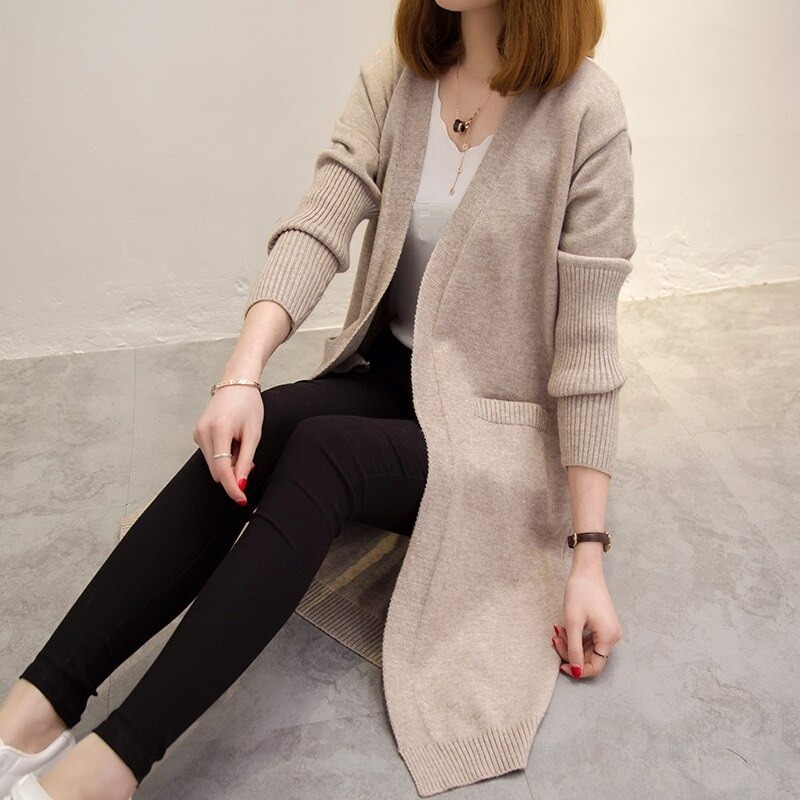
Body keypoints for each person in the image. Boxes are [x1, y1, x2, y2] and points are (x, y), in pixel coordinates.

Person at [0, 1, 630, 797]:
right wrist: (241, 377)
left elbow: (588, 347)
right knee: (262, 428)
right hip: (389, 380)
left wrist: (586, 556)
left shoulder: (586, 112)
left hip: (494, 432)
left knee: (326, 455)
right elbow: (322, 220)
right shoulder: (401, 76)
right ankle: (33, 711)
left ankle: (112, 766)